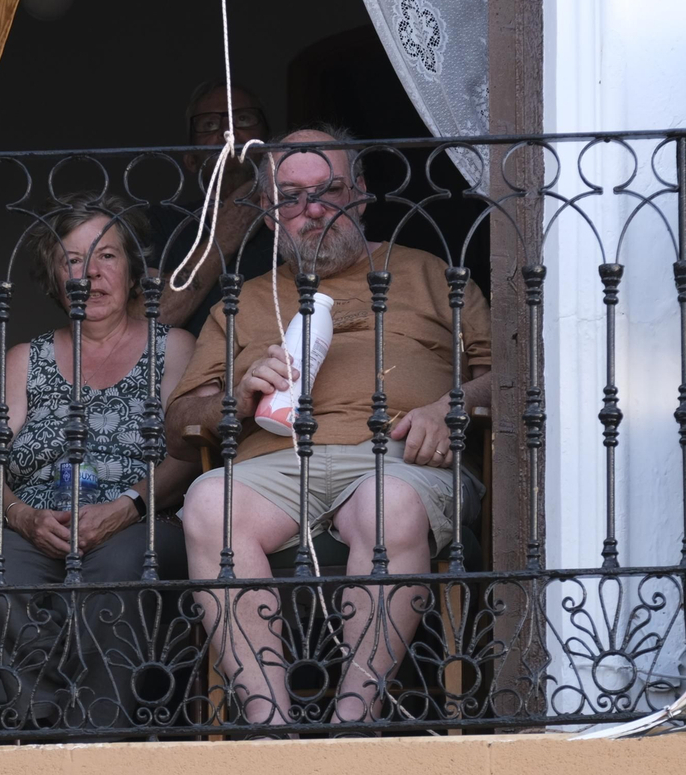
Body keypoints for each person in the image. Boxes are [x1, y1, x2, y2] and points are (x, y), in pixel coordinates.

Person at [164, 127, 494, 726]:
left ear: (361, 194)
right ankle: (274, 732)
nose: (313, 209)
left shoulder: (431, 275)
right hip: (275, 466)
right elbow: (178, 425)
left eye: (330, 190)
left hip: (401, 459)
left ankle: (350, 726)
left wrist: (454, 405)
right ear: (267, 213)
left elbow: (511, 376)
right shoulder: (240, 300)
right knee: (210, 502)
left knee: (386, 503)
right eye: (290, 197)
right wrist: (238, 397)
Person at [0, 192, 199, 728]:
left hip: (141, 518)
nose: (90, 272)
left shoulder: (174, 348)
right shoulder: (23, 360)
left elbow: (188, 451)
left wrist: (127, 507)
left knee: (120, 570)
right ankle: (51, 716)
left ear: (133, 270)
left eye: (107, 255)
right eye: (72, 259)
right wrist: (22, 517)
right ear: (55, 277)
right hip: (37, 525)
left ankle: (95, 735)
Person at [152, 81, 278, 334]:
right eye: (209, 124)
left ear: (269, 147)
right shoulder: (163, 222)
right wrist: (224, 236)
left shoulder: (299, 215)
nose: (228, 131)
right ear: (190, 159)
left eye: (243, 118)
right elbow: (150, 321)